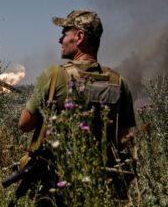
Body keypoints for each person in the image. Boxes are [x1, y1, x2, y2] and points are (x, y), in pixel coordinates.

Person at [16, 10, 136, 206]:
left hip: (58, 185)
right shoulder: (118, 83)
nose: (60, 40)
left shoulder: (54, 75)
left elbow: (25, 124)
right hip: (102, 186)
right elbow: (122, 140)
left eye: (65, 33)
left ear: (79, 37)